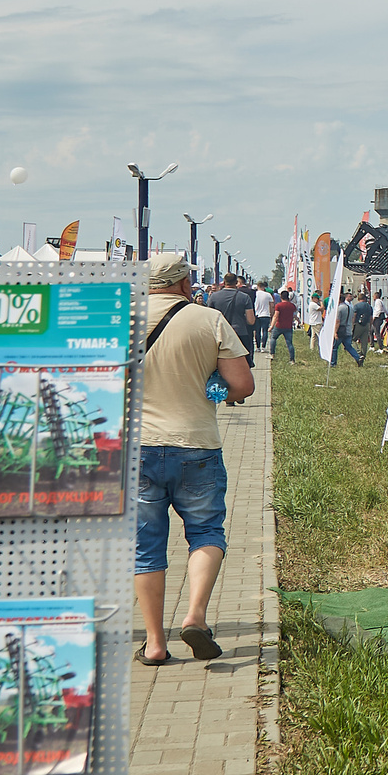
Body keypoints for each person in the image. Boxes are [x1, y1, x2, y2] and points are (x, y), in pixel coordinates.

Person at [134, 254, 253, 666]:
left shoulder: (121, 321)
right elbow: (243, 385)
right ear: (185, 283)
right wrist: (215, 390)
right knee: (205, 532)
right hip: (196, 444)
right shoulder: (208, 320)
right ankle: (195, 616)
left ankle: (154, 643)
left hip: (137, 449)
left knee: (145, 548)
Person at [206, 275, 256, 366]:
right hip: (240, 333)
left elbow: (209, 317)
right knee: (243, 364)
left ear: (224, 282)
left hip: (220, 334)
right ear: (236, 283)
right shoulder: (245, 297)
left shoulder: (214, 297)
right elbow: (251, 320)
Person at [268, 290, 298, 363]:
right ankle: (292, 359)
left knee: (273, 338)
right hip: (288, 326)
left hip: (279, 326)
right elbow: (294, 315)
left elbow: (275, 316)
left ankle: (272, 354)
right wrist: (298, 320)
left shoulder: (278, 306)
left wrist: (271, 326)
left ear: (281, 297)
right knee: (289, 343)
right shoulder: (292, 306)